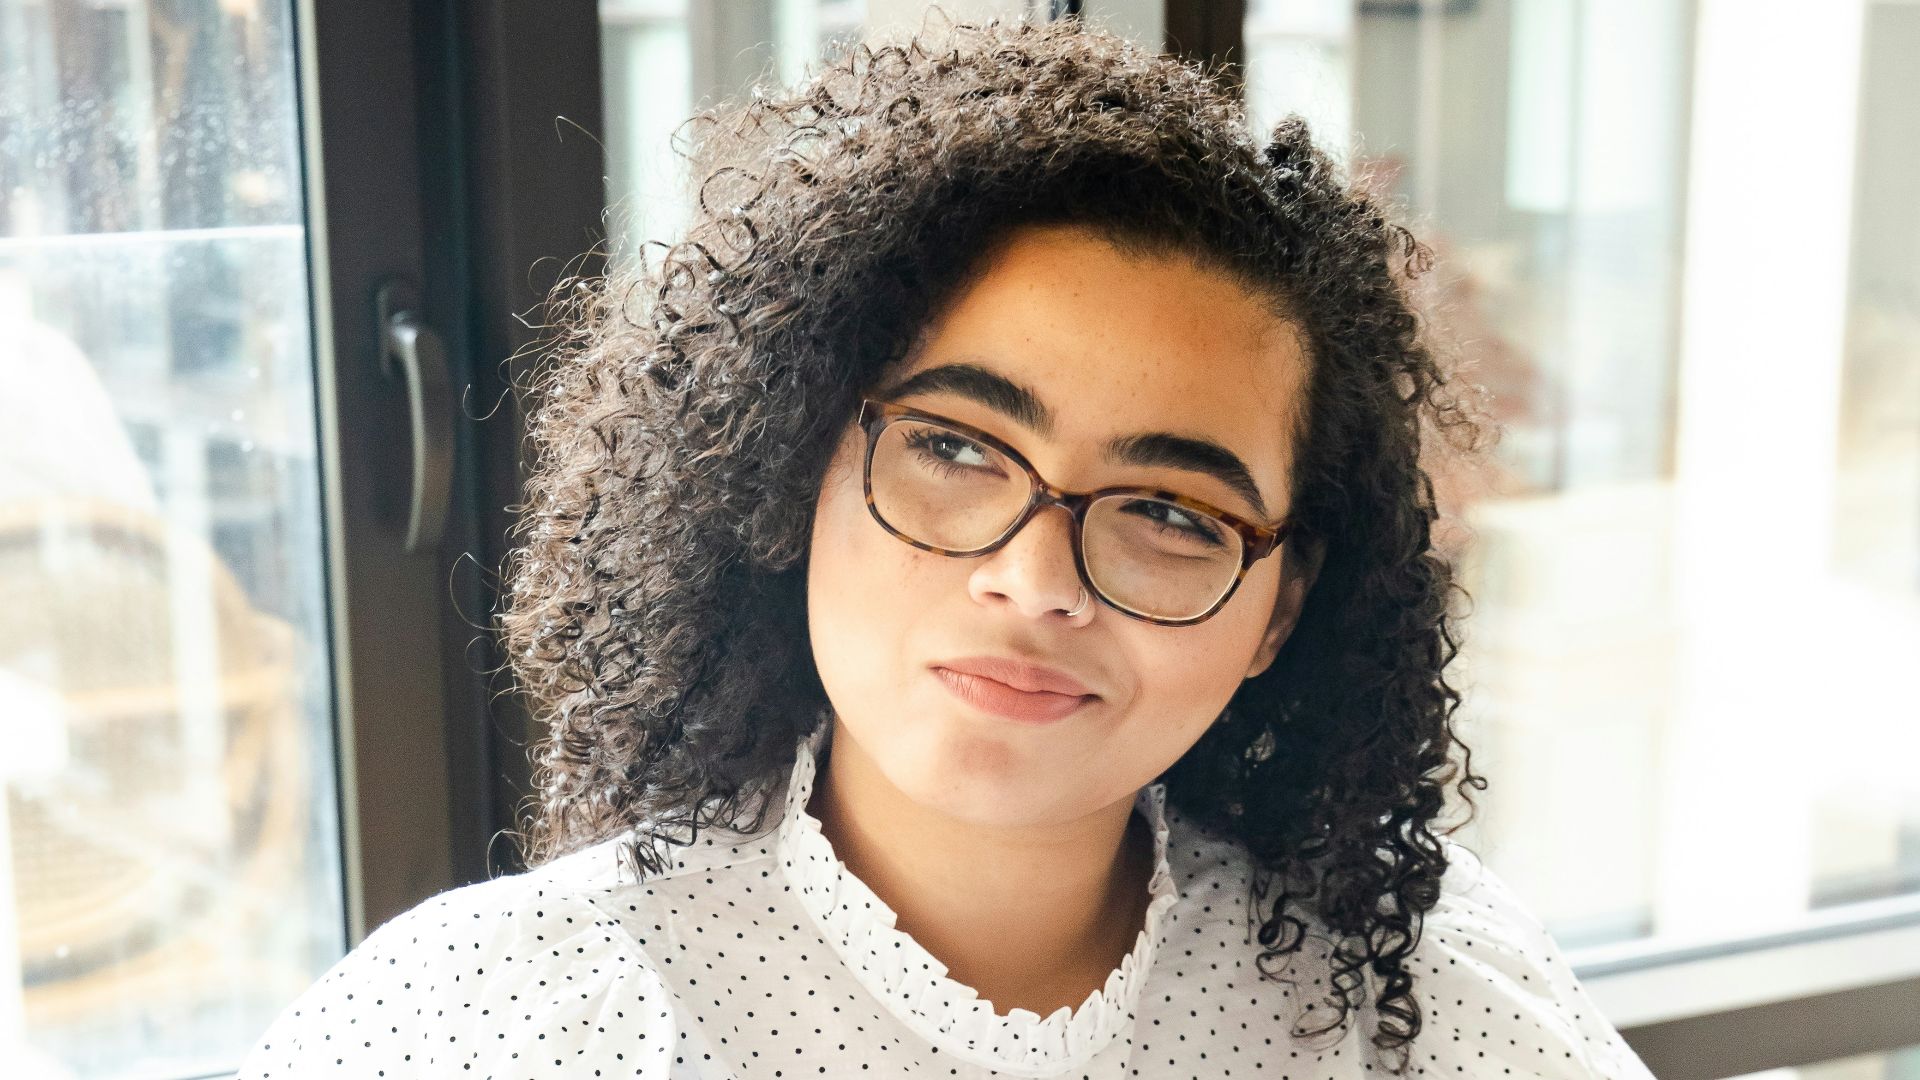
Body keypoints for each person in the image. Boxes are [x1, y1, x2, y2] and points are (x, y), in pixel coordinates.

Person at [237, 13, 1656, 1079]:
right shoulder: (481, 1026)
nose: (1031, 582)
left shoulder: (1424, 997)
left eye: (1171, 513)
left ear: (1280, 608)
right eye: (959, 448)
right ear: (790, 459)